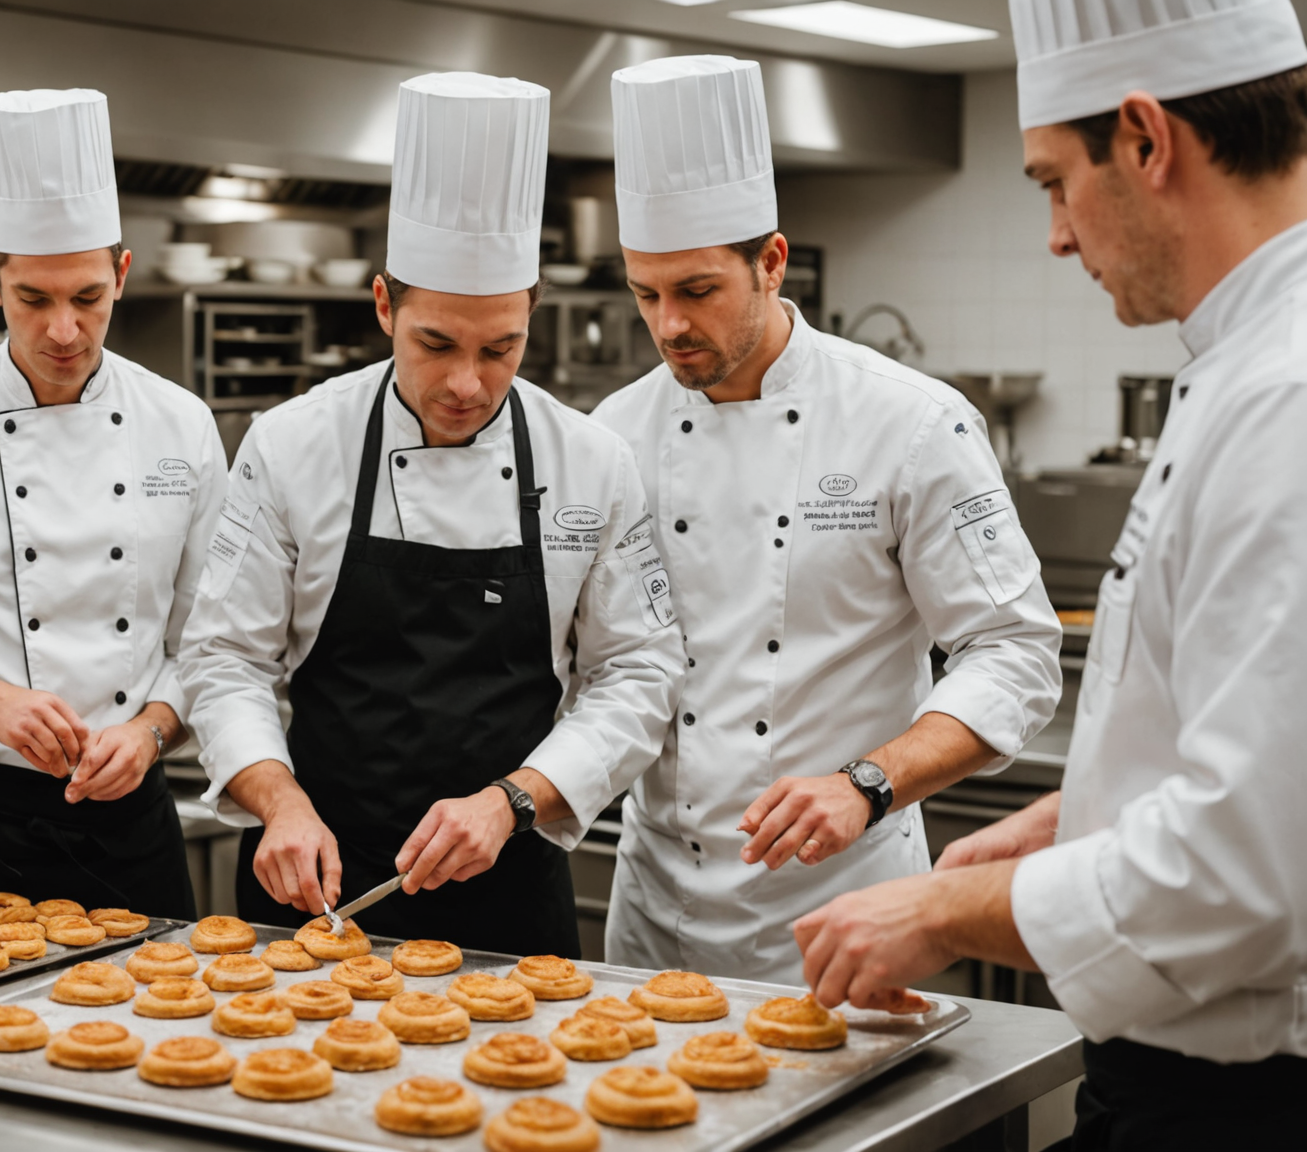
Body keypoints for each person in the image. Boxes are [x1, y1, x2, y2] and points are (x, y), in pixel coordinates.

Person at [793, 0, 1307, 1143]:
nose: (1058, 237)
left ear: (1145, 139)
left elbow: (1252, 874)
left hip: (1247, 1104)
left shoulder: (1285, 398)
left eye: (1049, 183)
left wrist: (950, 906)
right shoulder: (1243, 367)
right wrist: (1087, 813)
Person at [179, 72, 685, 957]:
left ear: (533, 315)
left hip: (511, 882)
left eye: (501, 350)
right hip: (312, 882)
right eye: (436, 344)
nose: (466, 384)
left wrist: (515, 799)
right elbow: (225, 657)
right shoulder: (294, 444)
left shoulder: (591, 460)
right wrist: (278, 801)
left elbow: (640, 672)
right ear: (384, 306)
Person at [587, 57, 1063, 983]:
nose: (669, 325)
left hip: (846, 901)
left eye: (697, 291)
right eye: (646, 295)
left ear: (771, 262)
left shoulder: (911, 422)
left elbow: (1014, 652)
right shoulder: (615, 433)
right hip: (653, 908)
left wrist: (867, 784)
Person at [0, 89, 223, 919]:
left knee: (158, 1045)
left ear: (122, 276)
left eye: (88, 298)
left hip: (133, 823)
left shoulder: (183, 425)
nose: (63, 330)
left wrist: (152, 730)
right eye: (34, 299)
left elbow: (213, 638)